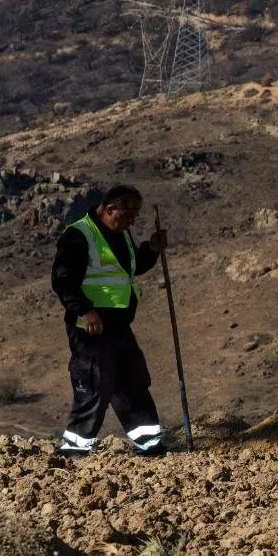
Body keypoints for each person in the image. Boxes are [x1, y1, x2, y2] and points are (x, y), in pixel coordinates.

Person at [51, 184, 168, 457]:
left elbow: (131, 266)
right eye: (129, 214)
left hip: (118, 324)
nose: (132, 221)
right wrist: (84, 310)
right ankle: (73, 450)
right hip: (91, 326)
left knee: (132, 381)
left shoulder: (120, 233)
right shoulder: (79, 235)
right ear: (110, 208)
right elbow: (62, 279)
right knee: (94, 385)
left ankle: (149, 444)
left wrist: (151, 248)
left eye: (135, 216)